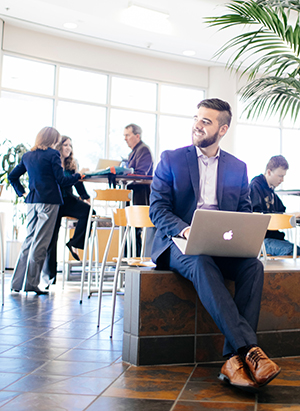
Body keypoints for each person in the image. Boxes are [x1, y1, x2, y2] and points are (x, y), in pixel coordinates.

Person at [149, 98, 280, 392]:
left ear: (222, 129)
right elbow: (157, 209)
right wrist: (185, 230)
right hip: (178, 243)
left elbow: (244, 212)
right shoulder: (171, 159)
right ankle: (249, 351)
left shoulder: (237, 166)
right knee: (201, 261)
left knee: (253, 267)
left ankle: (232, 360)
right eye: (197, 117)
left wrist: (242, 233)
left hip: (221, 243)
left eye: (206, 121)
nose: (197, 124)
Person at [8, 127, 83, 295]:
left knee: (28, 241)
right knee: (41, 243)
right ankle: (32, 284)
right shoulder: (52, 155)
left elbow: (12, 177)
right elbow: (62, 180)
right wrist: (78, 176)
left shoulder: (28, 155)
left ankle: (17, 282)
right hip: (49, 202)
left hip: (32, 202)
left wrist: (22, 192)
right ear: (52, 139)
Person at [42, 136, 93, 286]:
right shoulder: (53, 160)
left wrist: (85, 196)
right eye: (65, 145)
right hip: (55, 202)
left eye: (70, 145)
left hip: (69, 201)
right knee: (53, 238)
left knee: (89, 212)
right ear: (59, 146)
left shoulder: (72, 163)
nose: (68, 148)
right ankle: (51, 276)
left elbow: (76, 182)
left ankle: (74, 243)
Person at [250, 155, 300, 256]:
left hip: (273, 238)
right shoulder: (255, 187)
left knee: (296, 250)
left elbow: (281, 211)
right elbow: (258, 217)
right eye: (280, 176)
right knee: (295, 251)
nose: (282, 180)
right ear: (269, 172)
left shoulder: (271, 191)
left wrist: (291, 215)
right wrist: (290, 216)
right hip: (261, 241)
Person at [124, 123, 153, 255]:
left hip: (140, 194)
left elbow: (142, 173)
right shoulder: (133, 152)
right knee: (130, 228)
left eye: (127, 135)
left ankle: (136, 257)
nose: (125, 138)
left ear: (137, 136)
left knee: (136, 228)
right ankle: (129, 256)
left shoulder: (143, 150)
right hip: (131, 193)